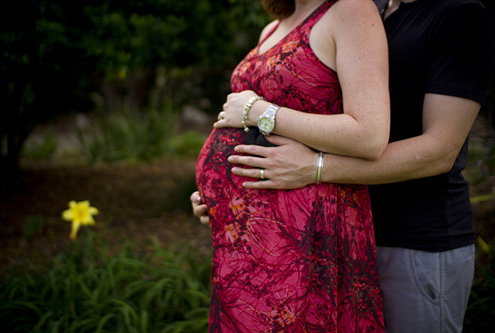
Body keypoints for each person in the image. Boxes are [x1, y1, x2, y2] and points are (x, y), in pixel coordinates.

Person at [192, 0, 495, 332]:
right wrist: (233, 195)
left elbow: (440, 151)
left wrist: (315, 166)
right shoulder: (375, 10)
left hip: (415, 236)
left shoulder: (457, 16)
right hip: (333, 227)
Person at [194, 0, 390, 331]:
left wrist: (261, 112)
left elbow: (369, 135)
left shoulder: (350, 9)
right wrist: (215, 196)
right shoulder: (273, 26)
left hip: (305, 235)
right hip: (248, 243)